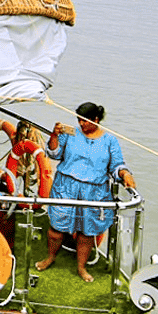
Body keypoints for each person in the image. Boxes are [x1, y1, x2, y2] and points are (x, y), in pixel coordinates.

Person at [36, 102, 135, 282]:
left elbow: (117, 165)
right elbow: (54, 153)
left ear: (96, 119)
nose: (81, 124)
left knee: (87, 232)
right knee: (56, 227)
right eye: (79, 120)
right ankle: (50, 257)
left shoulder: (110, 140)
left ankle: (81, 267)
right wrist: (54, 135)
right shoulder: (70, 133)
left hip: (94, 192)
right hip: (66, 187)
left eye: (85, 121)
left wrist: (125, 174)